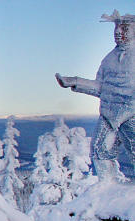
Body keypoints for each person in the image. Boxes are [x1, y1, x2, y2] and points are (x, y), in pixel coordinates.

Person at [56, 10, 135, 181]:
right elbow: (101, 87)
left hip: (131, 115)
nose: (118, 32)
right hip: (109, 114)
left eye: (125, 28)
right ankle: (107, 187)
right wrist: (75, 82)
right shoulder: (109, 59)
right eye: (116, 28)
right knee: (100, 151)